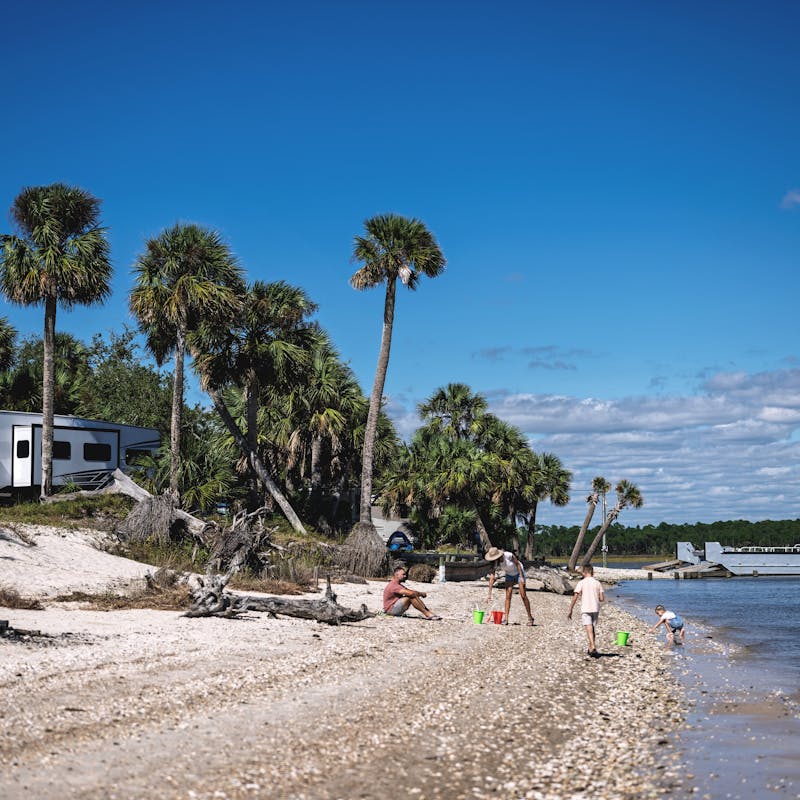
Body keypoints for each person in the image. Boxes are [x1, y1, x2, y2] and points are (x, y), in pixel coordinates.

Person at [484, 547, 534, 626]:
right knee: (508, 595)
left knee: (523, 595)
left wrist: (521, 577)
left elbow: (517, 564)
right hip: (509, 575)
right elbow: (492, 578)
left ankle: (530, 617)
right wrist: (489, 594)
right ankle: (506, 619)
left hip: (519, 572)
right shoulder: (495, 563)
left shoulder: (508, 555)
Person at [567, 563, 605, 657]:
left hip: (586, 608)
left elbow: (575, 596)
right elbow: (601, 598)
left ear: (584, 573)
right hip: (595, 608)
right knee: (592, 628)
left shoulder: (582, 582)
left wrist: (571, 609)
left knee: (588, 628)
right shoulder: (597, 583)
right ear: (593, 572)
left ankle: (593, 645)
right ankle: (590, 648)